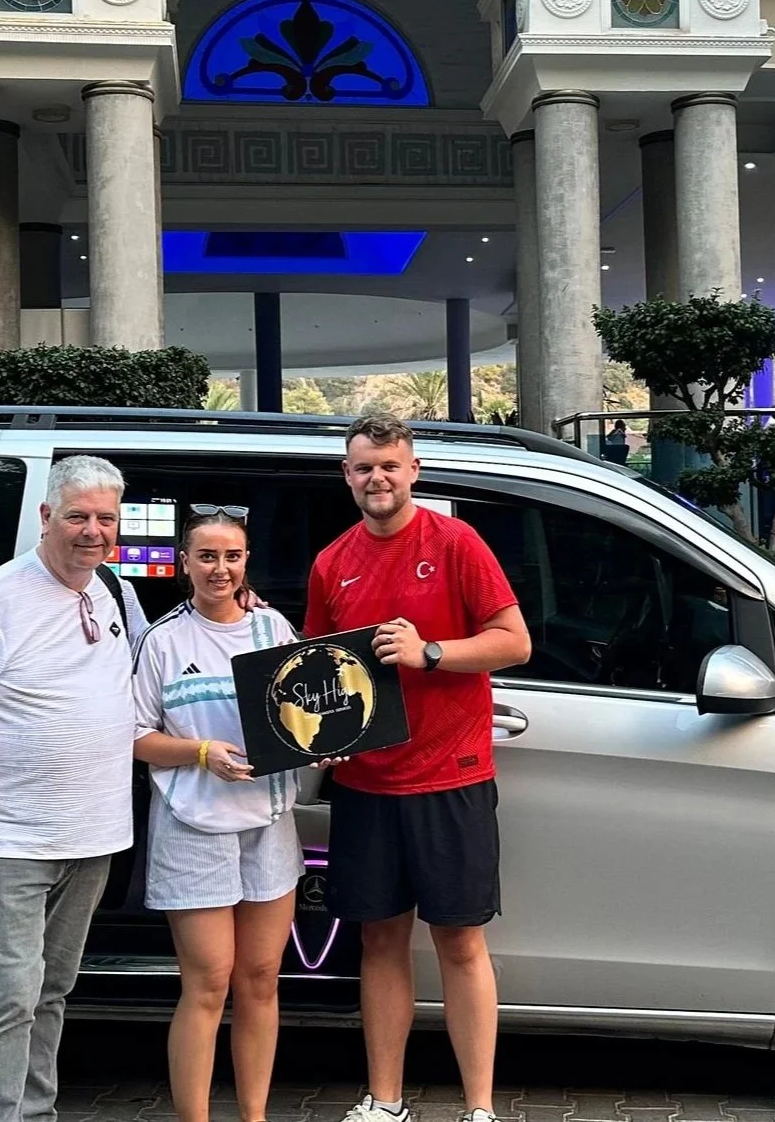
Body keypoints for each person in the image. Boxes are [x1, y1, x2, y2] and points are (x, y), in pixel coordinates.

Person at [306, 414, 531, 1122]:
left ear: (414, 470)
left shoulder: (456, 542)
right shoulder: (331, 561)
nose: (378, 478)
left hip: (452, 777)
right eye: (364, 467)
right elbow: (321, 673)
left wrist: (430, 651)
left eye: (390, 466)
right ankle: (386, 1102)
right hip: (367, 784)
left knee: (461, 940)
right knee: (378, 941)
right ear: (347, 476)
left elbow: (514, 642)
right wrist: (323, 735)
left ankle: (480, 1109)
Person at [0, 455, 139, 1122]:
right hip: (9, 840)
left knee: (53, 989)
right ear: (45, 517)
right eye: (77, 516)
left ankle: (33, 1115)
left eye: (104, 518)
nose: (91, 531)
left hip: (91, 838)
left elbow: (153, 682)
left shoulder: (112, 592)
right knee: (9, 995)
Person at [132, 508, 302, 1122]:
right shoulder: (163, 640)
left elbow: (305, 712)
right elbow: (133, 736)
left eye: (232, 556)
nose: (220, 569)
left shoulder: (273, 629)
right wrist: (201, 753)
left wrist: (325, 740)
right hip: (192, 826)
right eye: (207, 556)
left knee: (260, 979)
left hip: (268, 823)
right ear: (184, 564)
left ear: (246, 561)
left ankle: (254, 1115)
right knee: (207, 985)